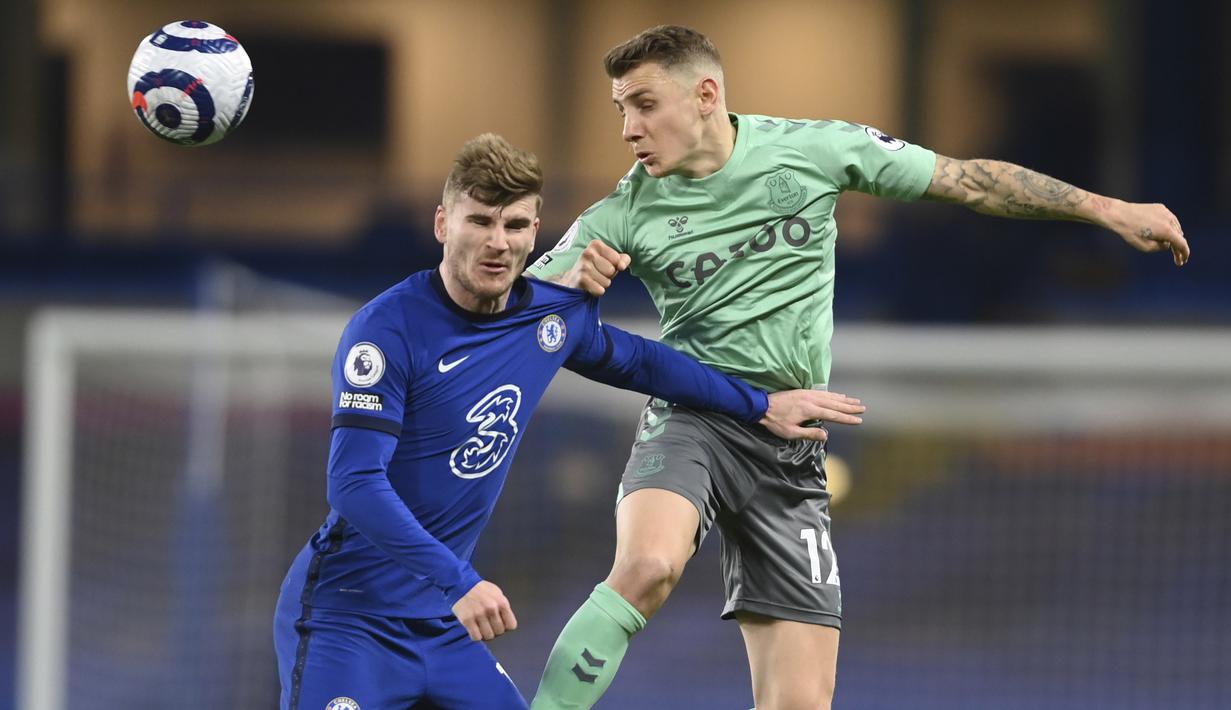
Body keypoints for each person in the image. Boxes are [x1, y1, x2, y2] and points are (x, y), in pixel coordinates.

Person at [526, 25, 1191, 710]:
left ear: (704, 94)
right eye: (620, 111)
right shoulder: (621, 211)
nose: (629, 128)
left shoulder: (813, 149)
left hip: (792, 442)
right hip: (694, 418)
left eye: (643, 104)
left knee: (801, 703)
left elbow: (965, 181)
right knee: (648, 564)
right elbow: (513, 315)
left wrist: (1106, 208)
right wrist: (567, 291)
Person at [271, 133, 862, 710]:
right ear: (442, 225)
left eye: (515, 225)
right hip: (349, 617)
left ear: (536, 231)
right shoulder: (387, 331)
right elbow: (353, 485)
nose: (498, 242)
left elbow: (642, 362)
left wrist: (760, 405)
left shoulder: (549, 319)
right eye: (479, 221)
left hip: (444, 626)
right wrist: (459, 582)